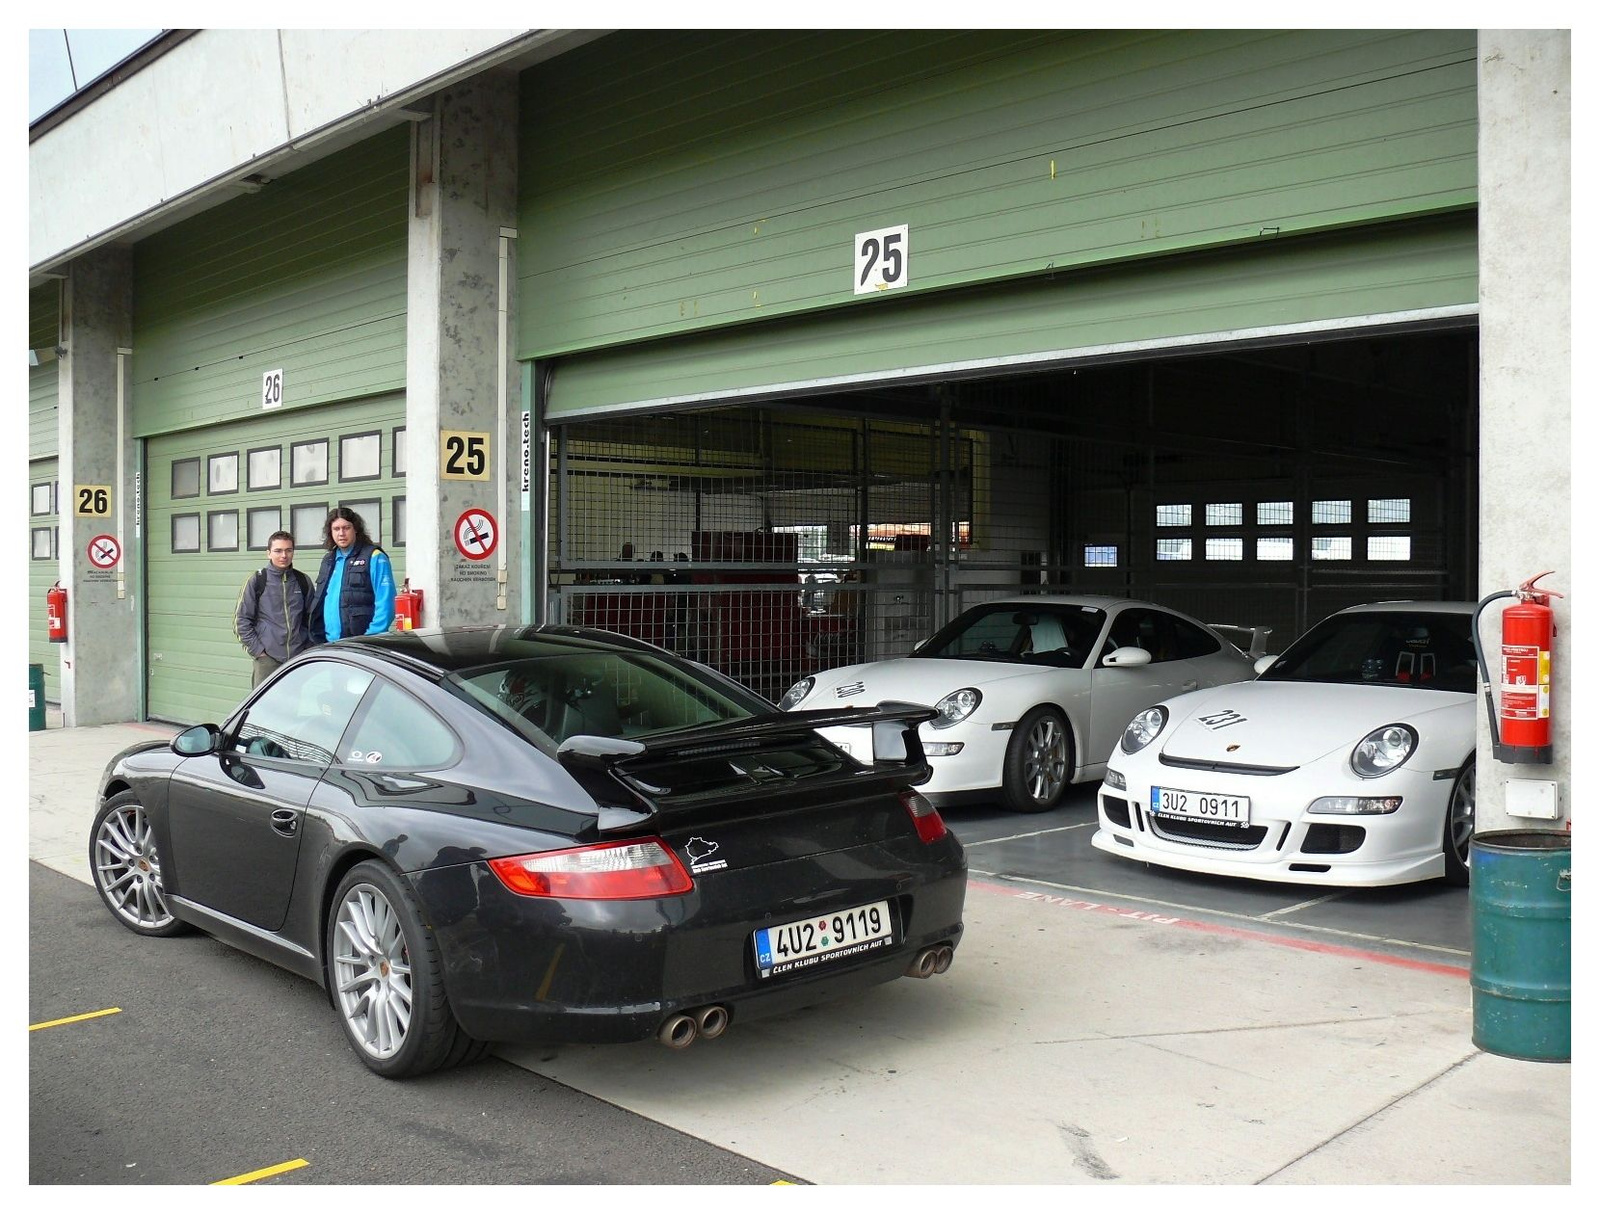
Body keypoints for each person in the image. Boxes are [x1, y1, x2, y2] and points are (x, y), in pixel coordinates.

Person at [234, 530, 313, 686]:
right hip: (268, 661)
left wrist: (307, 648)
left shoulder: (303, 581)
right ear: (268, 553)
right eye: (278, 550)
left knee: (292, 705)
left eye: (288, 550)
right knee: (264, 708)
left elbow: (313, 619)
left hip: (297, 660)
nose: (284, 555)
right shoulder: (257, 580)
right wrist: (259, 652)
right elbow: (241, 621)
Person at [308, 507, 396, 642]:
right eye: (336, 529)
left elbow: (386, 602)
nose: (341, 533)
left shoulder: (374, 557)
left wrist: (370, 638)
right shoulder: (328, 560)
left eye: (346, 528)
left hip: (362, 644)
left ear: (355, 529)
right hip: (328, 644)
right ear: (330, 532)